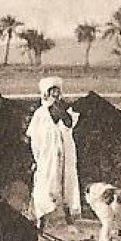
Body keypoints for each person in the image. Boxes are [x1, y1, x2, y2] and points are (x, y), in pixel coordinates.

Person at [27, 75, 81, 230]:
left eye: (57, 92)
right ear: (45, 94)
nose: (55, 95)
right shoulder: (40, 115)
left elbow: (69, 124)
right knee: (45, 186)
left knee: (68, 184)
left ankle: (70, 220)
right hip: (47, 157)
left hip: (66, 155)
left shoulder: (66, 111)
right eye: (52, 92)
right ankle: (41, 222)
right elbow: (34, 139)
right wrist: (36, 158)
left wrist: (61, 109)